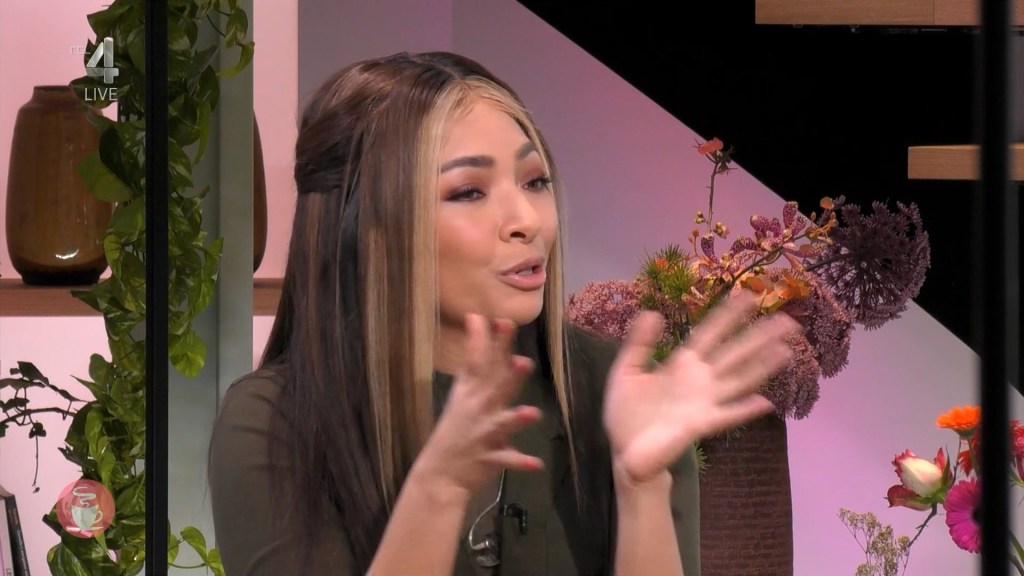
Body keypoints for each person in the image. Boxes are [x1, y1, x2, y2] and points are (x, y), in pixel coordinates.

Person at [208, 51, 799, 576]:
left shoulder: (620, 391)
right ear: (369, 230)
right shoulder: (275, 423)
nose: (527, 221)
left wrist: (642, 488)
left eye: (535, 181)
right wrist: (439, 489)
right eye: (469, 191)